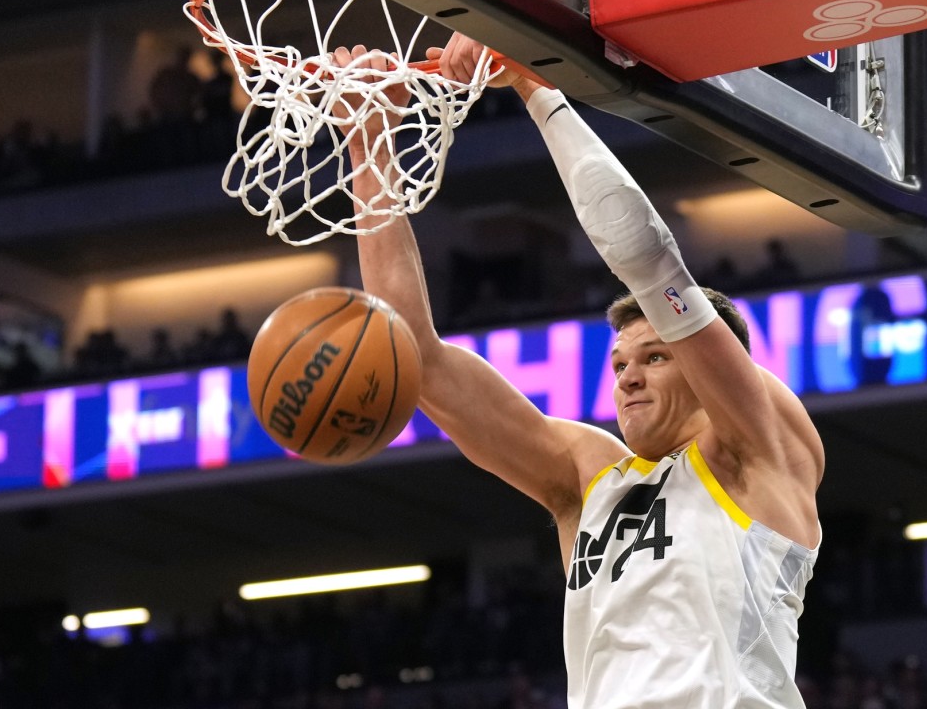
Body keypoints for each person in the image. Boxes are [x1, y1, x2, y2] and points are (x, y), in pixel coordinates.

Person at [330, 36, 825, 709]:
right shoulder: (589, 477)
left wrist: (534, 84)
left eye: (655, 358)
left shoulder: (763, 451)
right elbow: (411, 351)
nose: (627, 378)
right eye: (620, 362)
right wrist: (369, 144)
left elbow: (650, 262)